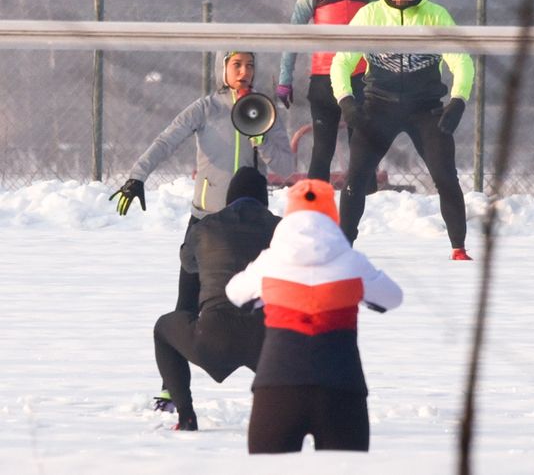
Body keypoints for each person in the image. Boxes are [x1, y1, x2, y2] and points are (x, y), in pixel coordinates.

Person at [110, 51, 295, 315]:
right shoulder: (206, 108)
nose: (244, 72)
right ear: (223, 68)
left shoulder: (266, 110)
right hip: (206, 219)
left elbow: (286, 167)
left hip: (249, 224)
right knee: (186, 307)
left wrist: (261, 139)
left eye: (250, 65)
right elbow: (167, 141)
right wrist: (137, 176)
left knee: (255, 310)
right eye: (237, 65)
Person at [226, 179, 402, 453]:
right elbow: (393, 297)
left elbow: (234, 293)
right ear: (333, 215)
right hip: (342, 387)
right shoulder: (354, 262)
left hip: (278, 385)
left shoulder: (269, 261)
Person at [330, 0, 475, 260]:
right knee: (355, 180)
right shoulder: (369, 15)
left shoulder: (436, 15)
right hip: (378, 105)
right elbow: (340, 62)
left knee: (446, 177)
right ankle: (343, 247)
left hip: (425, 108)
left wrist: (458, 101)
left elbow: (462, 62)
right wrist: (347, 103)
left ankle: (459, 248)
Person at [153, 167, 281, 431]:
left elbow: (188, 264)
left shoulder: (205, 227)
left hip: (213, 338)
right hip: (267, 342)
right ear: (264, 201)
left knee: (163, 329)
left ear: (228, 198)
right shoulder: (282, 229)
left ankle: (186, 416)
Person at [276, 0, 377, 183]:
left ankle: (368, 202)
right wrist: (284, 79)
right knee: (323, 150)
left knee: (363, 146)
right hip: (324, 80)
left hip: (359, 79)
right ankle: (313, 203)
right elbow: (294, 34)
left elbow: (385, 23)